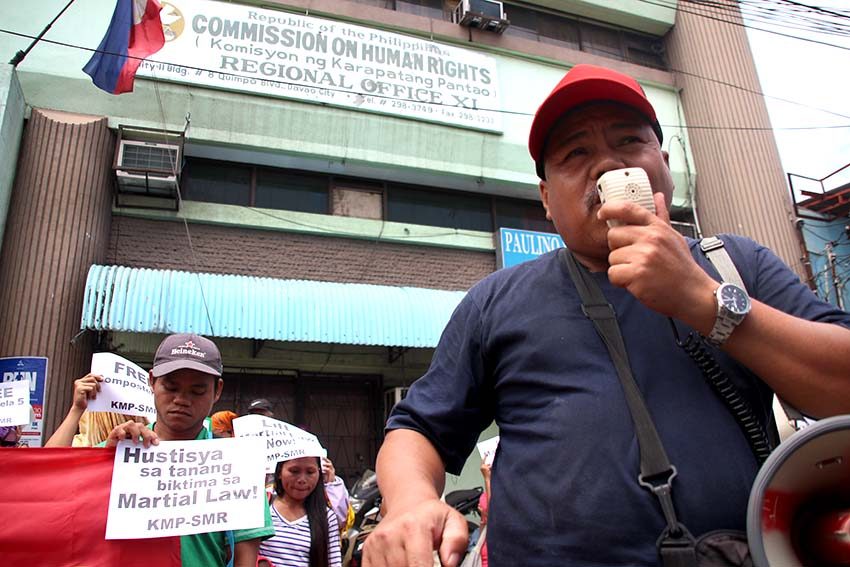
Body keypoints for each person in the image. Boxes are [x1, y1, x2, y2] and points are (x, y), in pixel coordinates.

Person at [362, 64, 850, 567]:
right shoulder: (496, 300)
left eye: (629, 143)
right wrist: (408, 503)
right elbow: (417, 429)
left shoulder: (737, 264)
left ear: (664, 165)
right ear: (547, 199)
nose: (607, 165)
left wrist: (705, 302)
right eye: (576, 153)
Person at [104, 333, 274, 567]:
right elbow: (46, 501)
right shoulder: (117, 450)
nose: (181, 399)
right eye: (171, 387)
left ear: (217, 390)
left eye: (197, 391)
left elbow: (246, 560)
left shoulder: (237, 467)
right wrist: (102, 463)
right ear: (152, 382)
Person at [258, 456, 342, 567]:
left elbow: (334, 563)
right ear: (279, 472)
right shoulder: (261, 508)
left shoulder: (327, 517)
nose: (302, 479)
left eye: (310, 472)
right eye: (294, 471)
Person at [44, 373, 148, 447]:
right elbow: (48, 467)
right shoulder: (82, 444)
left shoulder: (151, 437)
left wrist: (76, 409)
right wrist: (76, 409)